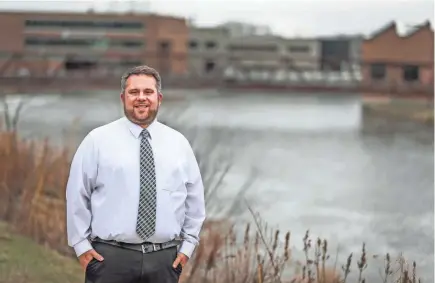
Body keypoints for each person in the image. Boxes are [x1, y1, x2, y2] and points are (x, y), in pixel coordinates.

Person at [66, 65, 206, 283]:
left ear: (159, 98)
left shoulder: (179, 144)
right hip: (109, 259)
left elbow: (195, 201)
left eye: (148, 92)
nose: (142, 98)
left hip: (164, 261)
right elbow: (77, 194)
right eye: (134, 92)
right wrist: (81, 246)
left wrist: (187, 247)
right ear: (123, 97)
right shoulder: (97, 141)